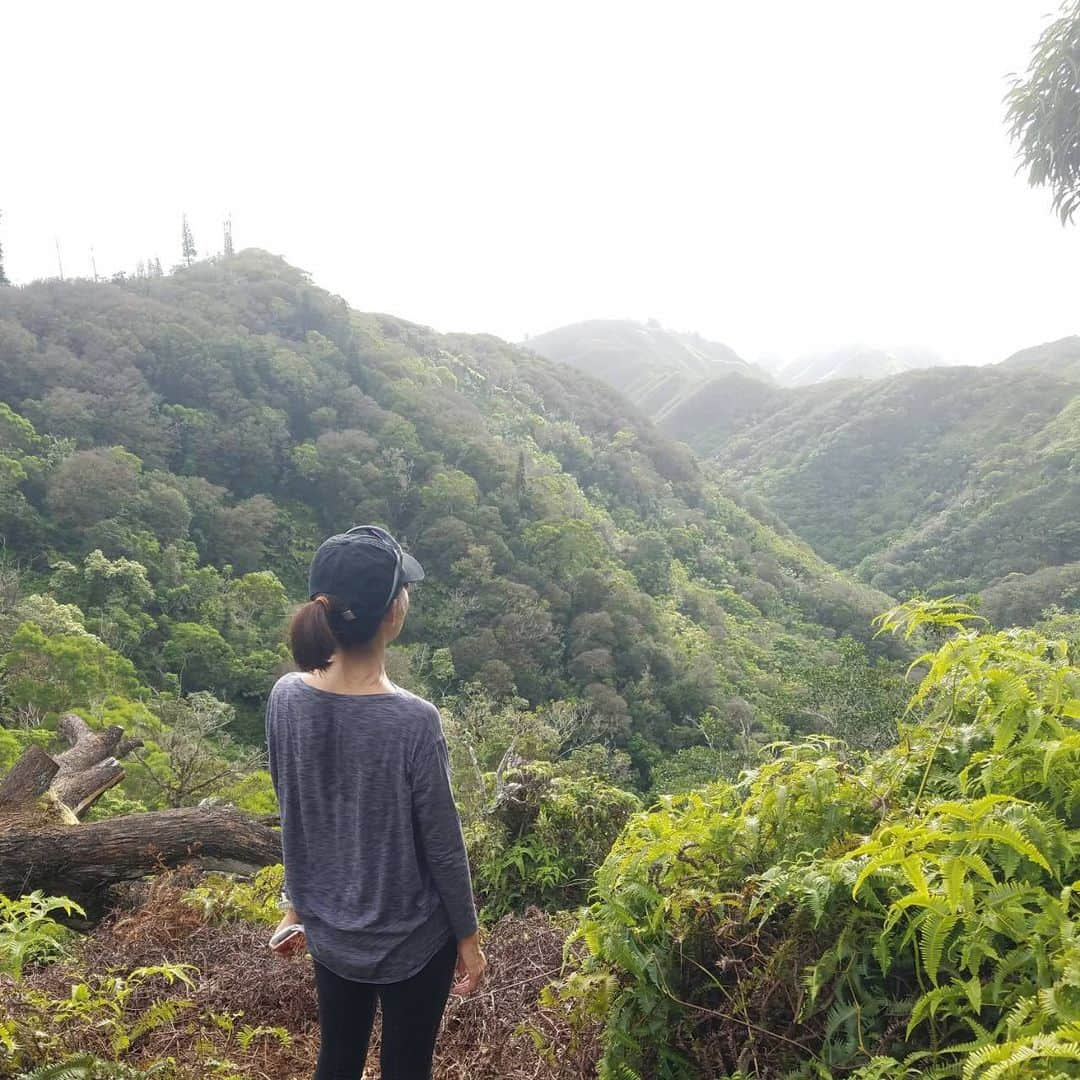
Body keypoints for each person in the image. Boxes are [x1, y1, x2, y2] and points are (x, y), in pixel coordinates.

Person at [265, 524, 487, 1080]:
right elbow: (443, 845)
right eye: (403, 589)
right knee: (406, 1068)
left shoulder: (286, 697)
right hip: (413, 938)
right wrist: (469, 938)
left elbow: (297, 810)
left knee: (336, 1060)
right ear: (392, 613)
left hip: (332, 933)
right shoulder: (413, 721)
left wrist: (300, 904)